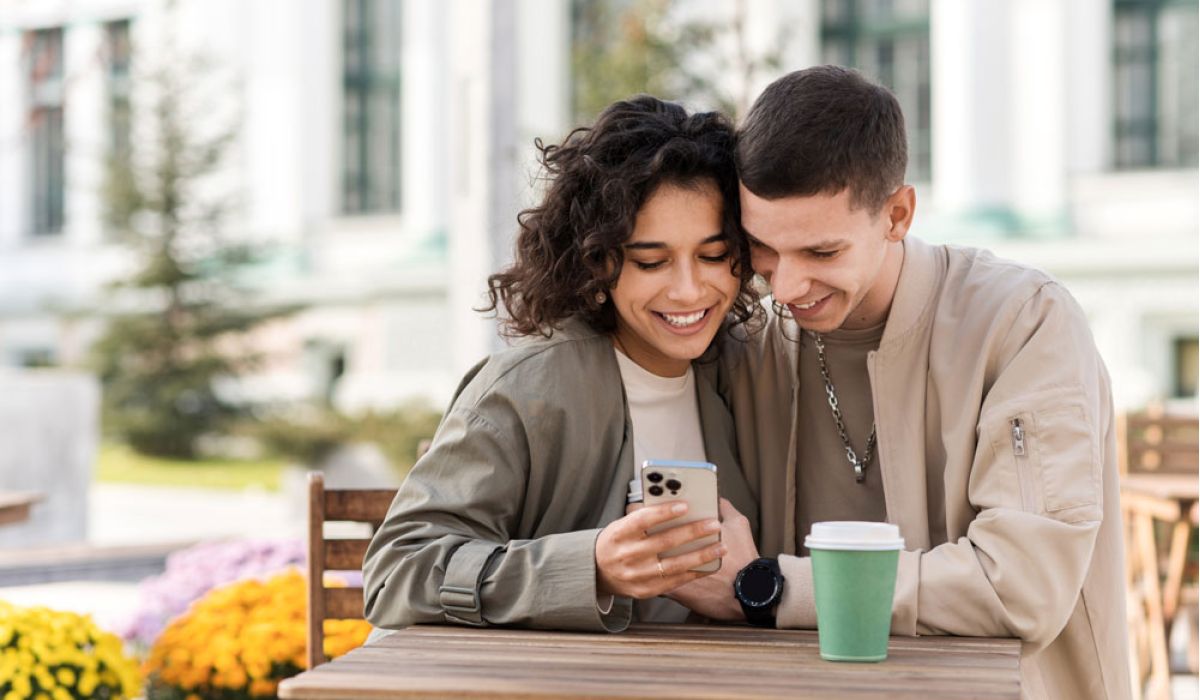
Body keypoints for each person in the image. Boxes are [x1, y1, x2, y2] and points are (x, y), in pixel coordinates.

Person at [668, 66, 1129, 699]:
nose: (786, 287)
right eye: (763, 249)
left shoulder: (1024, 324)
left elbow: (1020, 588)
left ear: (898, 214)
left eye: (822, 253)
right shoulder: (745, 339)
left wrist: (768, 586)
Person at [362, 96, 764, 633]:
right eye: (651, 261)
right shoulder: (527, 388)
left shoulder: (748, 369)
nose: (690, 289)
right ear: (598, 262)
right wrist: (591, 569)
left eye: (714, 255)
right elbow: (396, 573)